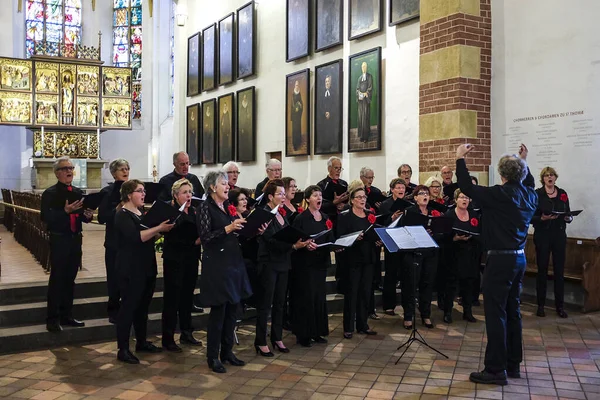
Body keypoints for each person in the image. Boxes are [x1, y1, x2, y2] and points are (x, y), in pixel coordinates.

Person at [456, 143, 537, 386]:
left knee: (495, 313)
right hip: (519, 258)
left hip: (499, 260)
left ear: (501, 174)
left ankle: (495, 369)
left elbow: (467, 187)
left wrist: (460, 158)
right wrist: (524, 162)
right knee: (513, 311)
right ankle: (513, 364)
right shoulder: (530, 194)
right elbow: (529, 182)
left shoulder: (498, 194)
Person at [114, 180, 174, 364]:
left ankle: (141, 342)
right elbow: (136, 237)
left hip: (146, 266)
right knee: (128, 308)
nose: (143, 194)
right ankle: (123, 349)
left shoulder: (140, 213)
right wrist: (158, 228)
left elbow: (148, 235)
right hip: (131, 268)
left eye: (144, 191)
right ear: (129, 194)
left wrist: (161, 229)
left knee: (143, 307)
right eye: (139, 191)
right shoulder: (122, 214)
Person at [197, 171, 252, 373]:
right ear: (212, 187)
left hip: (233, 262)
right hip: (217, 265)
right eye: (223, 183)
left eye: (227, 183)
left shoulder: (227, 207)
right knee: (219, 313)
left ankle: (227, 352)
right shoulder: (204, 207)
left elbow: (234, 231)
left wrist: (251, 229)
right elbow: (205, 237)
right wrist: (229, 228)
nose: (228, 186)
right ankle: (213, 356)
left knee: (232, 310)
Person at [255, 179, 311, 356]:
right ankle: (261, 341)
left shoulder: (282, 213)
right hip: (269, 263)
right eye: (279, 194)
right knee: (266, 304)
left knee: (280, 303)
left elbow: (285, 235)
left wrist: (296, 241)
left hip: (283, 262)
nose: (282, 196)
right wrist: (293, 246)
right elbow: (270, 240)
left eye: (283, 193)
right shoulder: (262, 213)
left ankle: (277, 337)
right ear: (270, 196)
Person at [41, 157, 94, 332]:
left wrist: (87, 215)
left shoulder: (78, 192)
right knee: (57, 279)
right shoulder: (50, 193)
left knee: (70, 278)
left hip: (75, 238)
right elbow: (45, 218)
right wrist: (65, 211)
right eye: (65, 168)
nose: (69, 171)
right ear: (57, 173)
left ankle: (67, 315)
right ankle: (52, 319)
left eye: (71, 168)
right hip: (59, 239)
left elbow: (82, 218)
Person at [161, 179, 203, 352]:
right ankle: (168, 337)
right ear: (176, 195)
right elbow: (169, 235)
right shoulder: (169, 212)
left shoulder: (194, 211)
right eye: (185, 192)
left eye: (190, 192)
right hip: (174, 259)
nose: (188, 196)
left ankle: (186, 332)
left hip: (191, 259)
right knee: (172, 298)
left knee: (187, 296)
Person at [291, 185, 331, 347]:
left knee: (319, 298)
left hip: (320, 262)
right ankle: (304, 334)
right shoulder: (301, 218)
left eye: (320, 195)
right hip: (305, 264)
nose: (319, 198)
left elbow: (330, 236)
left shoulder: (325, 217)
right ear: (308, 199)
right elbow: (295, 240)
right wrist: (305, 244)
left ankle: (317, 332)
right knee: (306, 298)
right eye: (315, 195)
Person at [337, 187, 378, 339]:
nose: (362, 200)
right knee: (352, 294)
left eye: (364, 197)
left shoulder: (370, 215)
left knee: (365, 293)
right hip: (352, 259)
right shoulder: (345, 216)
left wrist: (377, 239)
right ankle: (348, 327)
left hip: (368, 258)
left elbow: (374, 233)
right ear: (352, 200)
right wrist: (354, 237)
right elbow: (340, 237)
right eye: (359, 197)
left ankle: (363, 325)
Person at [531, 166, 571, 319]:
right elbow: (530, 216)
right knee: (542, 270)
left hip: (559, 234)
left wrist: (569, 218)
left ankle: (559, 306)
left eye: (552, 175)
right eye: (547, 175)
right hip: (542, 235)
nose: (549, 177)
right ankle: (540, 305)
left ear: (555, 177)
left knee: (559, 271)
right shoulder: (537, 194)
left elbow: (567, 211)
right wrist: (541, 218)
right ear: (543, 178)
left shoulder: (562, 194)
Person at [401, 185, 439, 330]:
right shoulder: (410, 212)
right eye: (421, 194)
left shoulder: (434, 213)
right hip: (413, 253)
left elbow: (442, 231)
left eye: (427, 194)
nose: (425, 196)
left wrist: (433, 231)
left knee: (427, 284)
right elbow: (404, 232)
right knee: (410, 285)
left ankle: (426, 314)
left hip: (429, 253)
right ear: (415, 198)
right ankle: (408, 316)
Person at [97, 158, 130, 324]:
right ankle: (113, 310)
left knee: (128, 278)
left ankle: (128, 308)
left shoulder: (134, 190)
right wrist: (117, 208)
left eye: (127, 169)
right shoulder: (107, 192)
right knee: (114, 277)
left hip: (130, 242)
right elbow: (102, 217)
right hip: (114, 241)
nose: (125, 172)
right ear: (113, 173)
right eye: (121, 169)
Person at [443, 189, 481, 324]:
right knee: (451, 285)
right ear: (455, 200)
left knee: (468, 285)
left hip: (470, 254)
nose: (464, 200)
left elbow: (479, 232)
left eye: (467, 197)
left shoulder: (473, 214)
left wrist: (473, 237)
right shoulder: (449, 215)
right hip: (454, 254)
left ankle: (468, 312)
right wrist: (454, 238)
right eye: (461, 197)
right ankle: (447, 312)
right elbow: (444, 236)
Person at [378, 178, 408, 315]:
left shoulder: (408, 204)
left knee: (406, 273)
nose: (401, 190)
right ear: (392, 190)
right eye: (398, 188)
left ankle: (407, 303)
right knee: (391, 273)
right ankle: (388, 305)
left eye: (403, 188)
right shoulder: (385, 204)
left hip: (405, 240)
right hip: (391, 240)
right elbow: (381, 223)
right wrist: (392, 218)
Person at [317, 156, 349, 224]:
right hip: (328, 218)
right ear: (329, 168)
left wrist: (344, 206)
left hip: (343, 217)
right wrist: (334, 203)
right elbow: (319, 205)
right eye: (336, 168)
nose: (338, 171)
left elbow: (349, 201)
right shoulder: (321, 185)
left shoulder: (344, 184)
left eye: (340, 168)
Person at [316, 74, 339, 153]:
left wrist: (330, 113)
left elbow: (335, 105)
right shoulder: (321, 93)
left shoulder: (334, 93)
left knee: (330, 132)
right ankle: (324, 146)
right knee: (324, 132)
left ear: (331, 82)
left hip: (331, 117)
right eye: (326, 81)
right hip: (323, 117)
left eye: (328, 81)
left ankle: (331, 146)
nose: (327, 83)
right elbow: (319, 105)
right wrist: (324, 113)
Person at [356, 62, 373, 142]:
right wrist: (360, 94)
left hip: (366, 100)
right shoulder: (359, 78)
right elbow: (357, 89)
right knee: (360, 117)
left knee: (365, 117)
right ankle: (361, 136)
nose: (363, 68)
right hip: (360, 100)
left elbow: (370, 88)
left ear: (367, 67)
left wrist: (366, 93)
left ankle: (366, 136)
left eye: (365, 66)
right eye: (362, 67)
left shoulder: (369, 77)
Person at [291, 80, 304, 151]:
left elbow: (301, 103)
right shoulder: (293, 94)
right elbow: (291, 106)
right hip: (294, 116)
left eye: (298, 85)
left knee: (298, 129)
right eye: (296, 85)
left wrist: (300, 106)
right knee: (294, 130)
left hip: (298, 116)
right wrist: (294, 109)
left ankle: (298, 142)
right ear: (294, 86)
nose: (297, 86)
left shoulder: (299, 94)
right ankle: (295, 144)